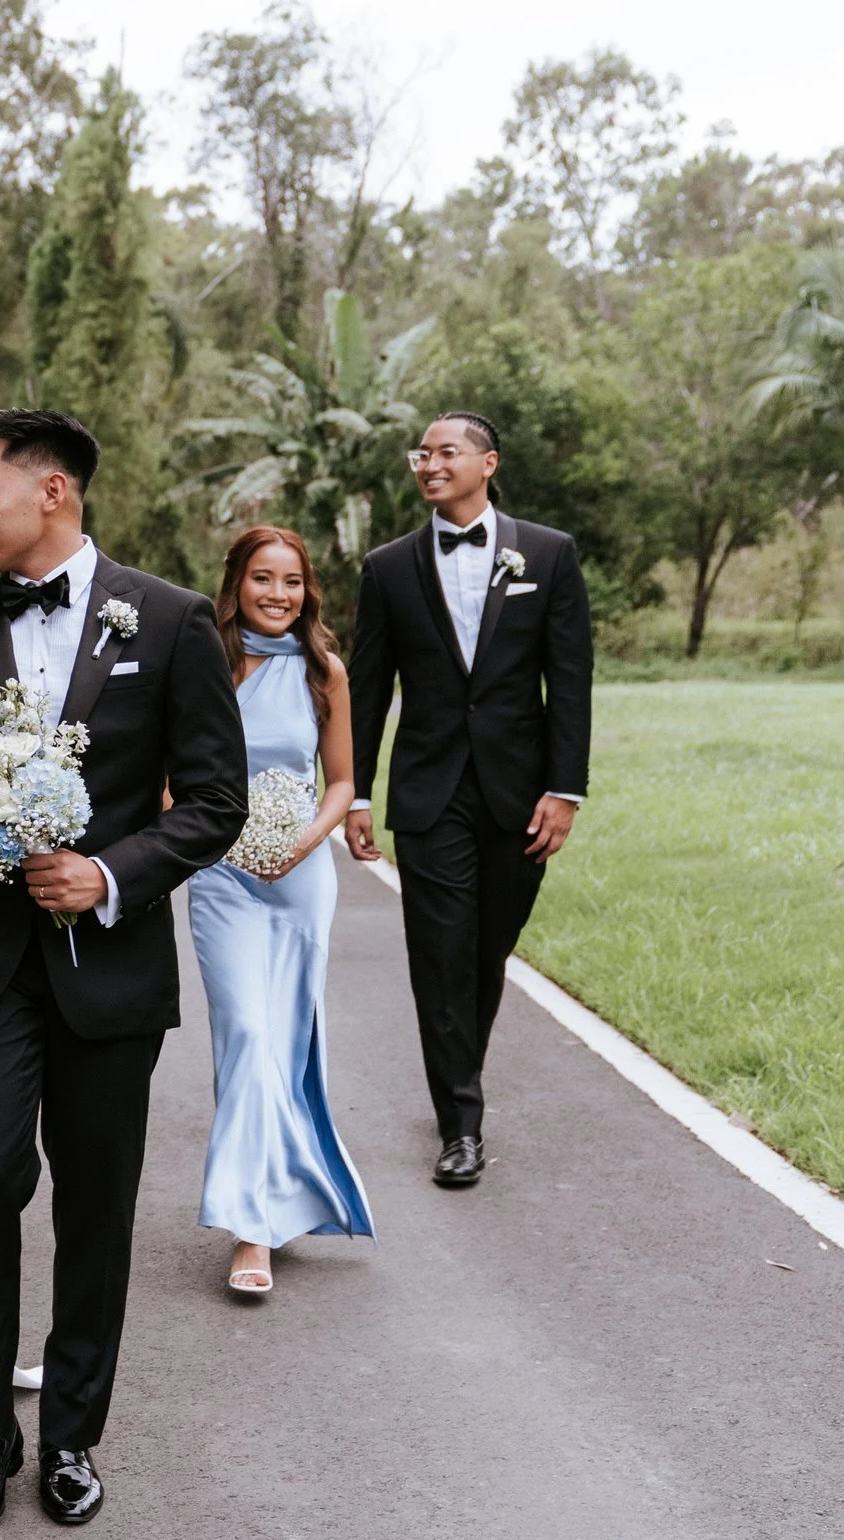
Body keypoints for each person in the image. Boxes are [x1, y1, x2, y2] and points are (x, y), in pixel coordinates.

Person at [0, 408, 246, 1539]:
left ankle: (72, 1430)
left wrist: (111, 872)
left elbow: (216, 802)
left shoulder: (171, 620)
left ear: (53, 493)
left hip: (109, 971)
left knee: (96, 1203)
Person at [343, 411, 594, 1187]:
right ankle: (461, 1124)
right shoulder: (387, 568)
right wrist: (355, 790)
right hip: (428, 791)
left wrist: (565, 787)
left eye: (446, 452)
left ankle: (461, 1075)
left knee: (488, 948)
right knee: (441, 954)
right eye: (422, 453)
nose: (429, 463)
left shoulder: (547, 554)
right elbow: (366, 685)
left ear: (488, 462)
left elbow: (571, 677)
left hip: (520, 791)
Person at [186, 528, 373, 1297]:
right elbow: (174, 769)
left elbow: (341, 782)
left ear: (308, 590)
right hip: (220, 874)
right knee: (248, 1034)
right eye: (263, 579)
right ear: (237, 584)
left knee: (286, 1038)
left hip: (299, 876)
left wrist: (302, 843)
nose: (277, 594)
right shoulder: (207, 664)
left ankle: (274, 1197)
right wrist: (198, 825)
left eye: (291, 581)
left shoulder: (326, 671)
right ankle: (250, 1229)